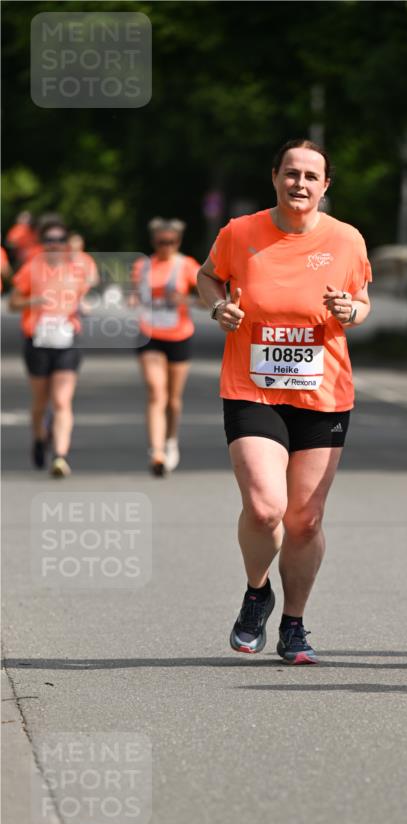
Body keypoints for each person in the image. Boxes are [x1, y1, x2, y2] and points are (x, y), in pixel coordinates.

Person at [197, 139, 372, 664]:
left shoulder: (346, 240)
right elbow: (207, 277)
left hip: (323, 393)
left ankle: (293, 624)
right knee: (265, 506)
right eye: (291, 173)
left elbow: (362, 302)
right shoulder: (241, 233)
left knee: (306, 519)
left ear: (325, 186)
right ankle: (257, 592)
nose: (300, 184)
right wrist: (219, 306)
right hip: (253, 388)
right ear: (275, 177)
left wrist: (349, 311)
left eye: (311, 177)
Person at [10, 221, 99, 476]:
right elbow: (13, 304)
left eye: (59, 239)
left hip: (66, 341)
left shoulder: (76, 271)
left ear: (65, 243)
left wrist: (83, 307)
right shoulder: (31, 269)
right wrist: (33, 301)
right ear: (42, 242)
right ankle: (39, 439)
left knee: (61, 400)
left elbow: (82, 298)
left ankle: (60, 456)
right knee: (40, 402)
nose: (54, 244)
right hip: (37, 342)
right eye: (49, 239)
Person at [130, 218, 201, 476]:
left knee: (173, 399)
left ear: (178, 242)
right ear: (153, 242)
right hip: (149, 335)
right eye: (161, 242)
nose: (166, 247)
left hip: (179, 335)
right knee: (155, 391)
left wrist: (186, 299)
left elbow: (209, 299)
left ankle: (171, 441)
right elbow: (135, 294)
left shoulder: (186, 265)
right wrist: (133, 298)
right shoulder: (142, 266)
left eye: (171, 242)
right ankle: (157, 451)